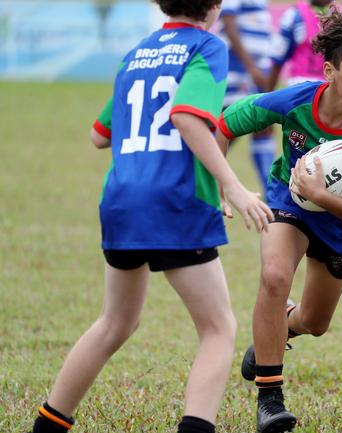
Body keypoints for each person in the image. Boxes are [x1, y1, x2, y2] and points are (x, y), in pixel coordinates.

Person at [28, 1, 273, 432]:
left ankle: (47, 425)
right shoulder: (207, 47)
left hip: (122, 200)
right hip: (174, 201)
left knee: (115, 323)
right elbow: (185, 117)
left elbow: (98, 135)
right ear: (214, 6)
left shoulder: (137, 52)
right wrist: (230, 184)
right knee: (218, 330)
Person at [218, 6, 342, 432]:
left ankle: (278, 328)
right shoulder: (297, 101)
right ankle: (270, 399)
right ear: (330, 71)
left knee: (314, 323)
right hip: (291, 204)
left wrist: (322, 194)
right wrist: (225, 186)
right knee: (274, 277)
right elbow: (224, 126)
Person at [217, 0, 276, 197]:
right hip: (238, 69)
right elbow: (228, 23)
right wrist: (250, 66)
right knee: (229, 126)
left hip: (258, 69)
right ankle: (202, 175)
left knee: (263, 128)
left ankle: (271, 194)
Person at [267, 0, 332, 90]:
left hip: (327, 85)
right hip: (300, 85)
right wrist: (267, 94)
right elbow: (278, 58)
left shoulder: (335, 18)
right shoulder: (294, 16)